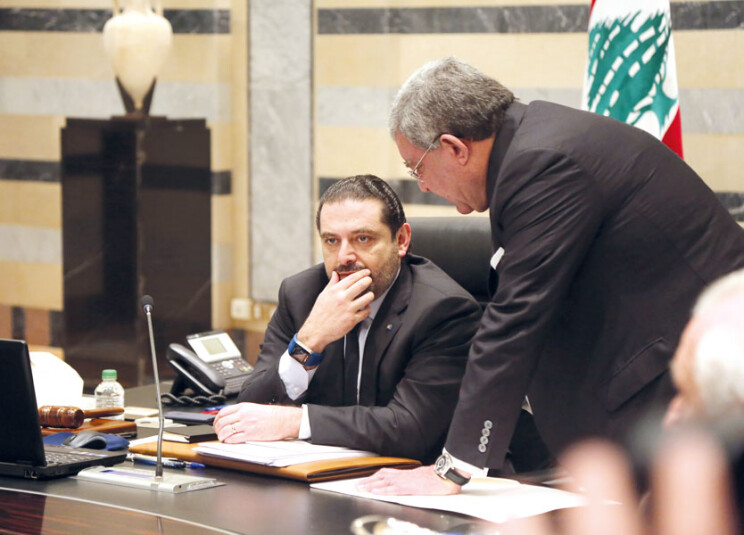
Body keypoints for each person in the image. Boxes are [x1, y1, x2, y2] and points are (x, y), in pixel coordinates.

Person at [357, 57, 744, 495]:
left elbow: (514, 321)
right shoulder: (531, 144)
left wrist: (453, 468)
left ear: (454, 148)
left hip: (693, 381)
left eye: (417, 168)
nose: (423, 185)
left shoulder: (543, 164)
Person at [212, 174, 482, 463]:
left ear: (401, 240)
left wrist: (297, 421)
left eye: (362, 239)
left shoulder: (442, 310)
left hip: (415, 477)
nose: (344, 257)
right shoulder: (300, 294)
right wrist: (309, 340)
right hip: (318, 473)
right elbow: (250, 413)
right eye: (331, 241)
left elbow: (411, 429)